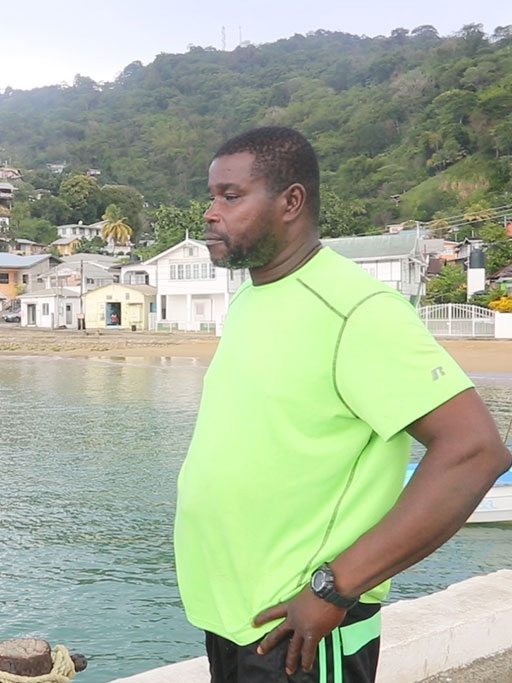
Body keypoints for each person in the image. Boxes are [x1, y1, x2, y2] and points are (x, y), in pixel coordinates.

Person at [173, 126, 511, 682]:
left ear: (291, 202)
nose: (211, 212)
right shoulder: (252, 300)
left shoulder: (356, 308)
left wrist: (335, 587)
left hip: (302, 631)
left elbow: (474, 451)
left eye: (230, 196)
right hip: (236, 620)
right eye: (211, 196)